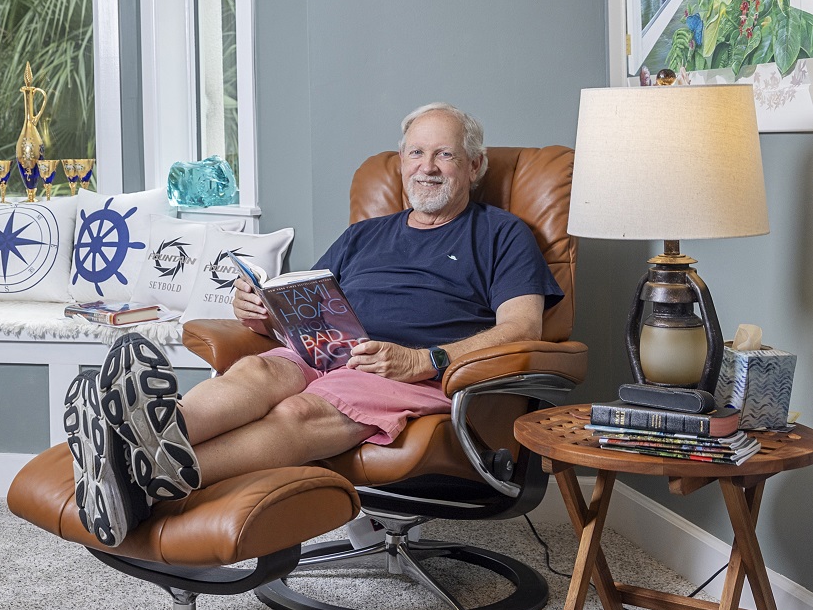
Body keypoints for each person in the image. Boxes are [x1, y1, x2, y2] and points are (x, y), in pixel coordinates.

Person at [65, 103, 564, 546]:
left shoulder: (502, 234)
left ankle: (134, 476)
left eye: (444, 155)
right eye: (416, 153)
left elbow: (523, 329)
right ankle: (140, 437)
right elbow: (305, 303)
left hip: (408, 373)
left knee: (300, 411)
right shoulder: (364, 235)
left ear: (474, 166)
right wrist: (260, 311)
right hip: (325, 350)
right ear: (402, 162)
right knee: (255, 372)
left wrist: (424, 360)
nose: (426, 167)